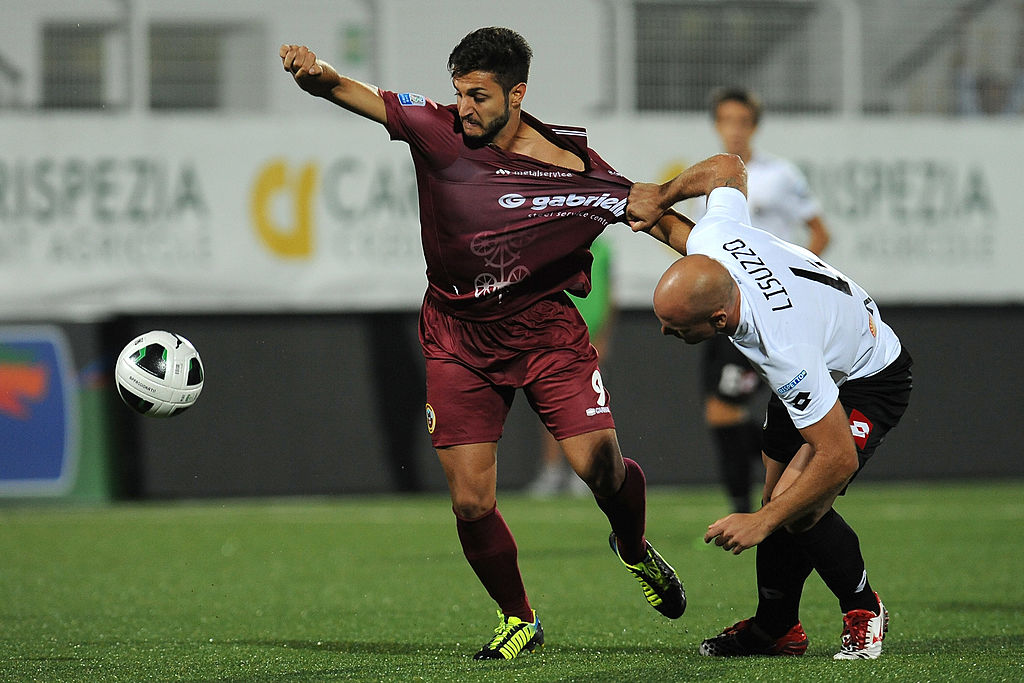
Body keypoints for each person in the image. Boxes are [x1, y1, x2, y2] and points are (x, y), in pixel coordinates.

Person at [280, 28, 685, 661]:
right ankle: (518, 616)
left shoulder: (572, 167)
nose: (463, 108)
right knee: (471, 501)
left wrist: (725, 266)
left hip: (544, 332)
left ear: (516, 93)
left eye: (477, 96)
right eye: (458, 93)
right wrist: (314, 73)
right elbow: (347, 89)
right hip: (455, 336)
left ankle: (631, 547)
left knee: (600, 469)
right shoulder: (436, 130)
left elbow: (650, 211)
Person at [627, 152, 912, 660]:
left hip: (868, 373)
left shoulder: (782, 348)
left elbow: (839, 458)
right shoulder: (715, 242)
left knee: (800, 505)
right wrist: (661, 196)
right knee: (779, 497)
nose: (665, 332)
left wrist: (762, 524)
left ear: (717, 320)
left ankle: (863, 607)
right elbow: (727, 168)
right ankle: (777, 627)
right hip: (826, 351)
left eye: (676, 327)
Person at [700, 87, 832, 514]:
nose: (734, 130)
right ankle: (752, 500)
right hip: (725, 312)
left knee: (733, 409)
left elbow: (819, 232)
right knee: (723, 411)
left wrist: (796, 281)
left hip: (766, 310)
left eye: (742, 121)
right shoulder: (711, 177)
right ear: (717, 125)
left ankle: (757, 501)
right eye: (726, 121)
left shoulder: (780, 175)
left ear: (754, 126)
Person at [527, 235, 615, 497]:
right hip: (558, 334)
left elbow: (610, 295)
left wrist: (604, 338)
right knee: (553, 406)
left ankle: (589, 472)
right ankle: (552, 471)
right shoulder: (559, 244)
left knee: (594, 406)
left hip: (591, 338)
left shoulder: (603, 250)